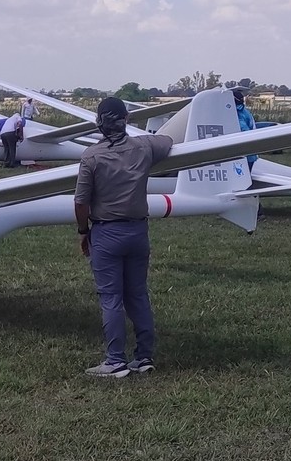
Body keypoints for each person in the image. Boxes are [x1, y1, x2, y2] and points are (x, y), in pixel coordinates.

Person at [74, 96, 173, 378]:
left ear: (99, 123)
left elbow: (81, 203)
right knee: (138, 295)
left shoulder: (91, 157)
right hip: (138, 231)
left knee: (111, 298)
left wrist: (84, 231)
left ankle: (115, 360)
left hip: (106, 232)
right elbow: (166, 141)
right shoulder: (144, 147)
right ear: (126, 120)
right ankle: (144, 357)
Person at [233, 88, 257, 167]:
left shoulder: (237, 114)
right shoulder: (246, 112)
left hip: (245, 154)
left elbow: (244, 130)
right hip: (251, 153)